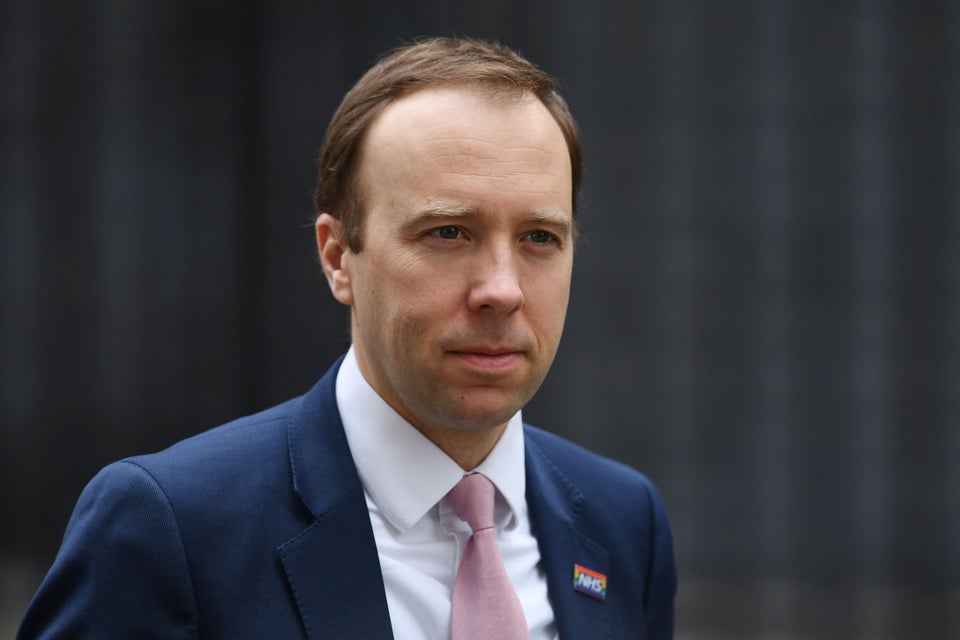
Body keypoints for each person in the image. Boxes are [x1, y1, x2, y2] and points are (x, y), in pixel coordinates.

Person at [18, 37, 676, 639]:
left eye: (539, 238)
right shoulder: (171, 531)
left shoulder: (624, 524)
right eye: (448, 232)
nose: (501, 289)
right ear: (338, 257)